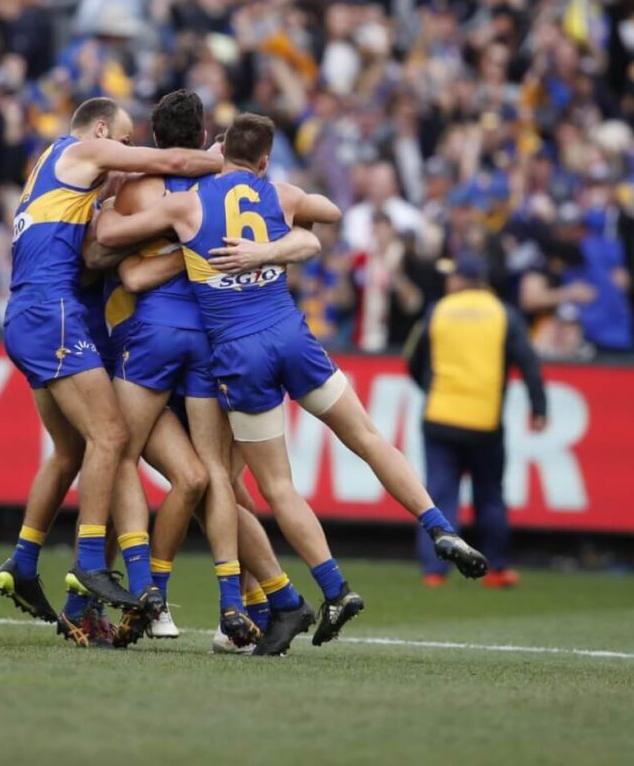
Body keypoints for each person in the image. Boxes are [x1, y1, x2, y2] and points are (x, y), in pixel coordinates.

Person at [97, 113, 490, 652]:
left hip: (239, 353)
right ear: (264, 160)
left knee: (267, 487)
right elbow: (326, 215)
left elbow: (114, 242)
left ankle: (322, 589)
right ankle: (437, 524)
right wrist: (272, 245)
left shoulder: (188, 203)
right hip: (293, 336)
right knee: (369, 439)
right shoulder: (279, 192)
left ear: (220, 151)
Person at [102, 90, 332, 652]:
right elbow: (318, 217)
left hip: (154, 339)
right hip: (216, 344)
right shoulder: (224, 187)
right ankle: (244, 605)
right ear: (206, 139)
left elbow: (117, 266)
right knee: (218, 482)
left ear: (154, 142)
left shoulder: (141, 188)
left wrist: (108, 209)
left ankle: (140, 595)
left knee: (116, 456)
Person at [0, 96, 222, 635]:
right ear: (99, 130)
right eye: (121, 140)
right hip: (54, 312)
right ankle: (91, 563)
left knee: (72, 450)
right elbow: (175, 162)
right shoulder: (82, 149)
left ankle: (24, 561)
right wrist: (221, 161)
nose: (124, 152)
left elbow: (94, 257)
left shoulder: (53, 171)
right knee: (112, 438)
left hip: (31, 312)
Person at [405, 253, 547, 589]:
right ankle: (496, 568)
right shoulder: (504, 315)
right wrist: (538, 407)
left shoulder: (438, 310)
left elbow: (413, 360)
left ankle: (434, 571)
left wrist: (431, 389)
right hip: (485, 422)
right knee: (490, 495)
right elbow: (528, 363)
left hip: (440, 416)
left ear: (460, 280)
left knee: (438, 495)